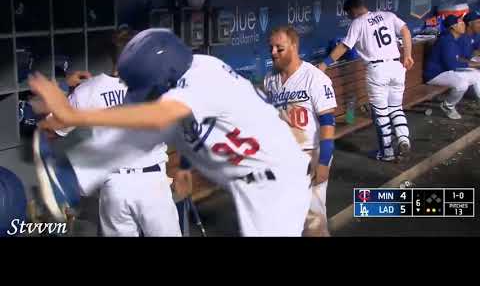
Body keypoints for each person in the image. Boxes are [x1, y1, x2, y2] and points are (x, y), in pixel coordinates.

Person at [29, 28, 312, 237]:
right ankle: (73, 178)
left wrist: (71, 112)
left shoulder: (199, 79)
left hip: (277, 179)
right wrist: (186, 166)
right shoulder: (185, 74)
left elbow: (162, 115)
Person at [42, 25, 182, 237]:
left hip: (114, 186)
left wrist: (67, 91)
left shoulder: (88, 90)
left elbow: (50, 130)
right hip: (153, 184)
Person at [318, 0, 414, 162]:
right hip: (396, 67)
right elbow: (405, 30)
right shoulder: (387, 15)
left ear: (352, 11)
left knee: (382, 115)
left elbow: (344, 46)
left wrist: (324, 64)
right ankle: (404, 139)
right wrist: (408, 55)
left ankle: (387, 153)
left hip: (377, 70)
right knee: (396, 108)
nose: (349, 17)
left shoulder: (358, 22)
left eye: (349, 14)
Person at [264, 26, 336, 237]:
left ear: (294, 47)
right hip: (283, 156)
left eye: (279, 48)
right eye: (271, 48)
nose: (273, 52)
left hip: (310, 154)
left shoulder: (314, 78)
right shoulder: (270, 79)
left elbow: (328, 123)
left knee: (313, 222)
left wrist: (323, 161)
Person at [424, 15, 480, 119]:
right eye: (461, 24)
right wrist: (474, 64)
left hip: (448, 71)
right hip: (435, 75)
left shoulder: (455, 38)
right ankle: (448, 106)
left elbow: (458, 59)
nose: (464, 25)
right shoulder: (446, 40)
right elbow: (452, 65)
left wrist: (473, 66)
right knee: (462, 83)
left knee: (477, 75)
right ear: (453, 27)